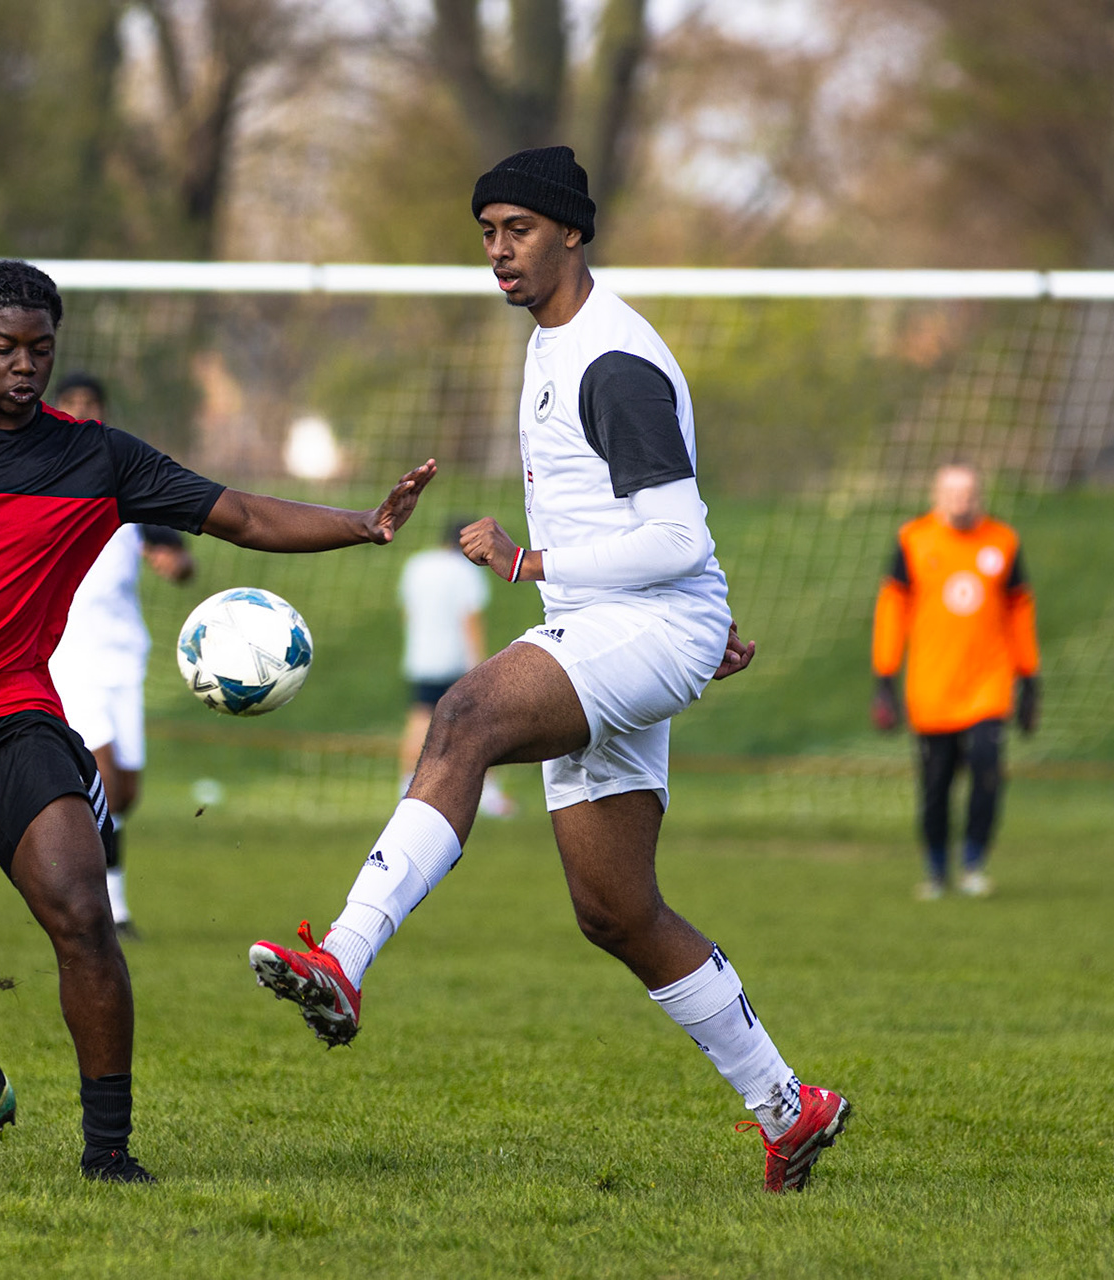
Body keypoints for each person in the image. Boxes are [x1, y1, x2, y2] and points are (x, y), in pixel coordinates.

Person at [0, 259, 434, 1183]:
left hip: (15, 717)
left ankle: (108, 1151)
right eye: (4, 347)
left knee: (82, 912)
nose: (25, 365)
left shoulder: (95, 458)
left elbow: (241, 515)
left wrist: (362, 524)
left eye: (41, 348)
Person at [246, 147, 851, 1195]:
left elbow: (677, 534)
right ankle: (789, 1105)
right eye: (488, 232)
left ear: (573, 230)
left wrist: (533, 563)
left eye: (518, 229)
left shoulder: (613, 359)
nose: (499, 250)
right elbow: (653, 531)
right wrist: (694, 611)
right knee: (614, 908)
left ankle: (342, 955)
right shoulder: (553, 341)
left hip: (640, 628)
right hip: (625, 628)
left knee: (465, 713)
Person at [46, 373, 196, 938]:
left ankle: (84, 881)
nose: (81, 412)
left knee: (125, 793)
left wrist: (176, 566)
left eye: (90, 405)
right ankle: (107, 908)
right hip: (69, 654)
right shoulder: (40, 480)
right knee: (103, 782)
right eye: (71, 404)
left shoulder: (124, 484)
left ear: (103, 412)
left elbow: (177, 556)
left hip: (125, 657)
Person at [871, 463, 1039, 900]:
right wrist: (884, 678)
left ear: (979, 495)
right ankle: (935, 869)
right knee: (936, 784)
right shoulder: (913, 539)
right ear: (937, 495)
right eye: (953, 492)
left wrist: (1030, 679)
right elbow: (892, 611)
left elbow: (1020, 611)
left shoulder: (1002, 541)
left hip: (988, 685)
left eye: (969, 492)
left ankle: (973, 863)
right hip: (932, 687)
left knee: (987, 768)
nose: (962, 501)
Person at [396, 517, 514, 817]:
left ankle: (406, 788)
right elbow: (469, 618)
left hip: (422, 657)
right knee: (479, 723)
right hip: (456, 659)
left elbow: (407, 612)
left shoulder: (417, 564)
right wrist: (479, 661)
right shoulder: (465, 570)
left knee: (420, 719)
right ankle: (488, 793)